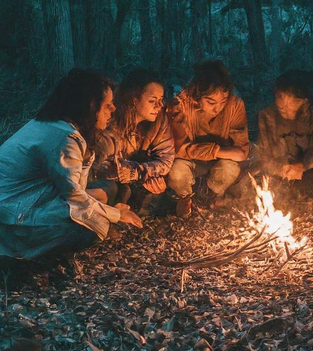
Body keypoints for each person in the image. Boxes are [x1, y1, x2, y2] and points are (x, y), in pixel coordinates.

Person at [0, 69, 143, 260]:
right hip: (13, 220)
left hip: (25, 202)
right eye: (107, 105)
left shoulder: (54, 126)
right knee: (95, 227)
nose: (113, 109)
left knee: (105, 189)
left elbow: (76, 187)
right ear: (89, 107)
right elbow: (76, 198)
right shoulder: (64, 138)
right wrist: (117, 214)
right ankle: (23, 258)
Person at [166, 60, 249, 217]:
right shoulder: (181, 105)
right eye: (211, 102)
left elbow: (241, 152)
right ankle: (186, 198)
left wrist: (211, 152)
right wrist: (217, 150)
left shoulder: (235, 104)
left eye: (222, 101)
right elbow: (177, 151)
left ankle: (212, 196)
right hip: (191, 162)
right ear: (197, 95)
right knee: (176, 173)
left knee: (230, 169)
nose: (217, 108)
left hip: (218, 161)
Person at [91, 68, 175, 213]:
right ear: (134, 100)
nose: (159, 106)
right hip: (108, 181)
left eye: (161, 100)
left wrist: (140, 171)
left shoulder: (159, 121)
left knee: (160, 183)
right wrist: (121, 171)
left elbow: (166, 158)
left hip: (138, 175)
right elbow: (99, 162)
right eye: (152, 101)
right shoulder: (110, 118)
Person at [257, 69, 313, 181]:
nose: (282, 104)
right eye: (279, 96)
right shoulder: (267, 116)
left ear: (304, 101)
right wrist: (278, 168)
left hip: (312, 175)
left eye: (289, 97)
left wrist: (303, 166)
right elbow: (263, 154)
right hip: (278, 178)